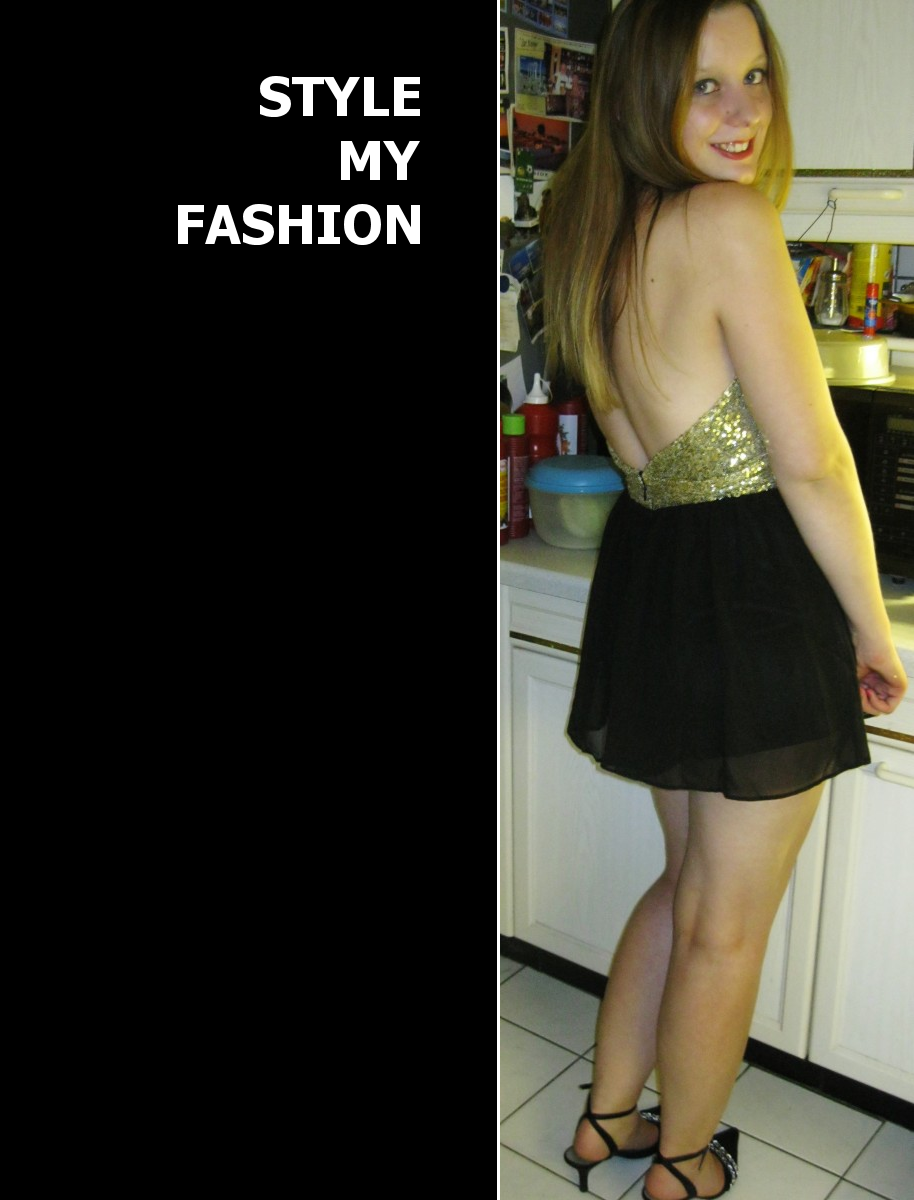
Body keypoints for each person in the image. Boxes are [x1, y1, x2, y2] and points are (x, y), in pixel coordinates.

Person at [540, 3, 907, 1198]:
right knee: (724, 924)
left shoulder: (591, 227)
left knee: (684, 887)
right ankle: (683, 1162)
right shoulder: (729, 221)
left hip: (655, 580)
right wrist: (872, 630)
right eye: (704, 84)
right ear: (644, 92)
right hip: (749, 595)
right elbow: (812, 464)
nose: (743, 109)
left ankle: (605, 1120)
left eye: (753, 76)